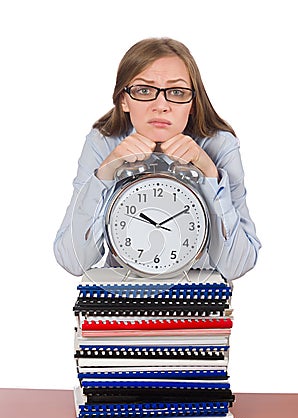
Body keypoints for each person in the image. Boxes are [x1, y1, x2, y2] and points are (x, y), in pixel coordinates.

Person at [53, 37, 261, 280]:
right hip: (126, 295)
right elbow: (72, 260)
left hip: (197, 298)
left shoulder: (218, 144)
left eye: (176, 92)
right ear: (123, 99)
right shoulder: (103, 142)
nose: (161, 105)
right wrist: (106, 173)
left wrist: (209, 174)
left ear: (192, 103)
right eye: (144, 90)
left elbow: (237, 266)